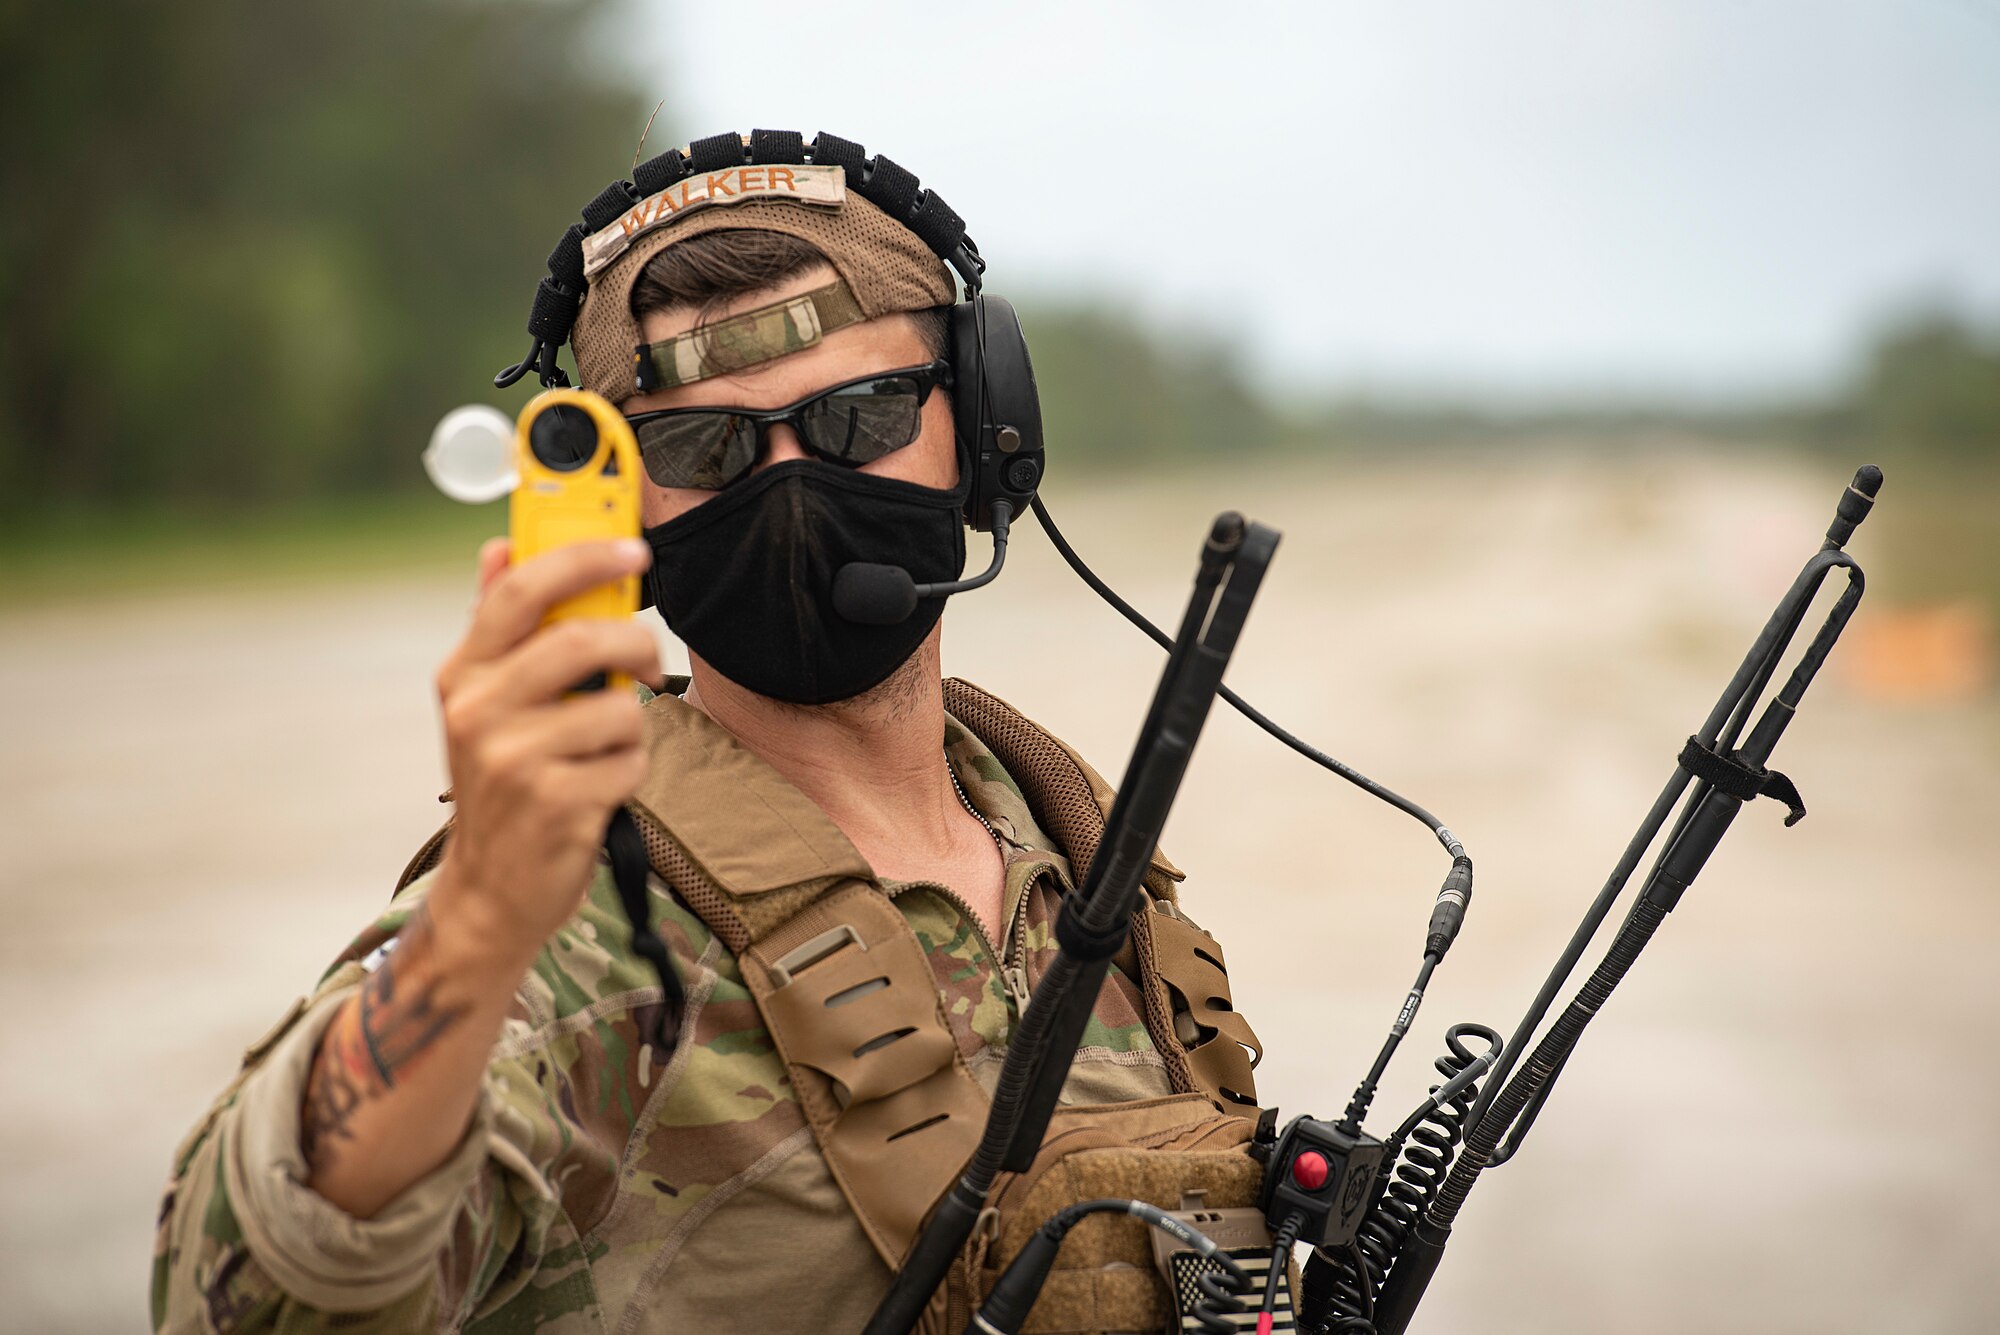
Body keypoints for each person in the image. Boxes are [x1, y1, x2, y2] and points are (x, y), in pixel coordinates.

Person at [151, 130, 1266, 1335]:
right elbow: (245, 1298)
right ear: (623, 495)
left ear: (985, 428)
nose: (788, 486)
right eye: (701, 446)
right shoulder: (579, 932)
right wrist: (471, 932)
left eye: (859, 417)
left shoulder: (1089, 862)